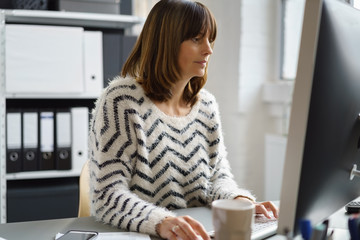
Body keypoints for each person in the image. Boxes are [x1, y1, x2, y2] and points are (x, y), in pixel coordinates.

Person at [88, 0, 278, 240]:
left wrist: (237, 201)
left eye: (210, 40)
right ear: (166, 43)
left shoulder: (206, 105)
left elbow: (217, 176)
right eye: (197, 39)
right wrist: (163, 222)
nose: (209, 50)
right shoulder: (121, 102)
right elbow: (106, 194)